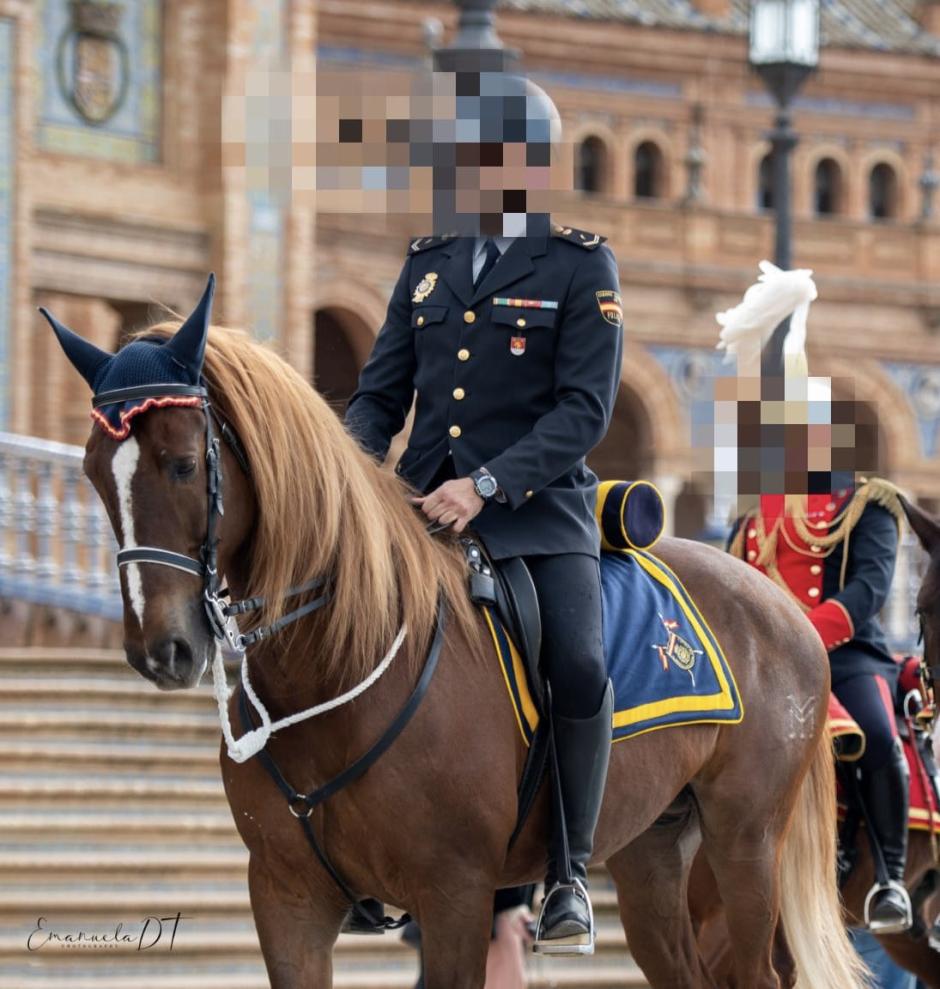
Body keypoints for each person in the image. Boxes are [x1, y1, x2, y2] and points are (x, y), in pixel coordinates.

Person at [342, 61, 624, 950]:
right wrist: (350, 478)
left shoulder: (581, 266)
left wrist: (490, 484)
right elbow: (380, 395)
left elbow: (584, 411)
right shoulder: (427, 266)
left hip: (535, 515)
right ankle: (353, 850)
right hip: (421, 509)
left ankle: (569, 870)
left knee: (576, 662)